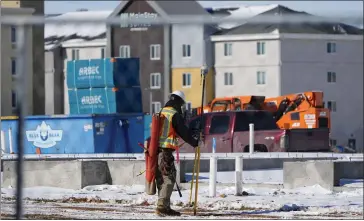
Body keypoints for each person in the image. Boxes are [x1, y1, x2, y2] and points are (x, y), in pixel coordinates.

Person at [155, 90, 202, 216]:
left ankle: (165, 206)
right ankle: (162, 206)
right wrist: (195, 142)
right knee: (169, 178)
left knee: (162, 179)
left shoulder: (162, 111)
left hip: (156, 151)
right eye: (181, 105)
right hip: (165, 151)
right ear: (179, 102)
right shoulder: (173, 114)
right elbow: (183, 132)